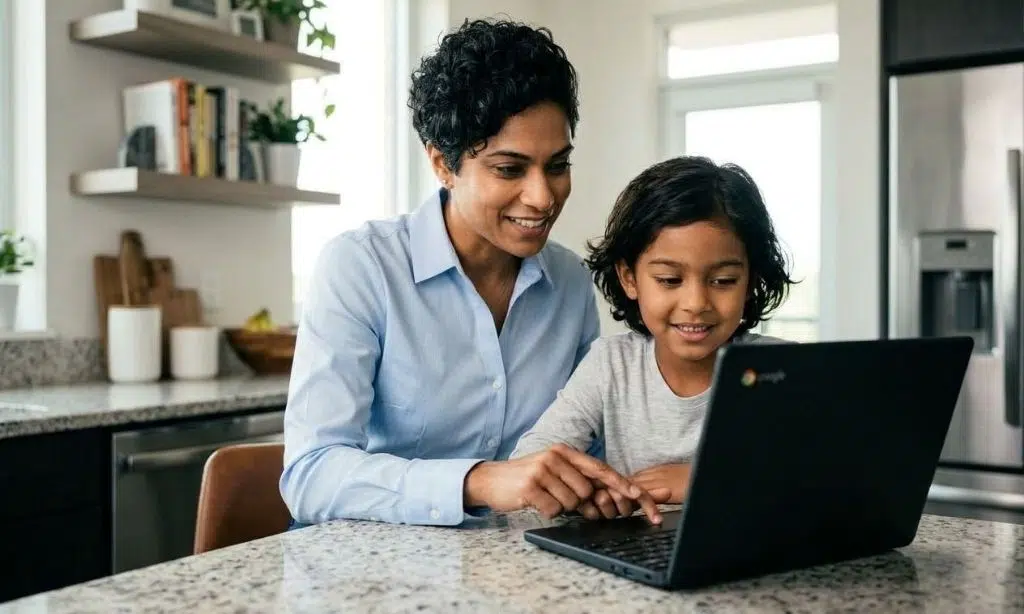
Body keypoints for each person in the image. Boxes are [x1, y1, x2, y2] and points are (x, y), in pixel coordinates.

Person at [280, 18, 662, 528]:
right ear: (442, 163)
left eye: (557, 165)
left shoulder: (569, 282)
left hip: (509, 564)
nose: (543, 197)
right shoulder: (361, 268)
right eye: (509, 169)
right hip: (368, 569)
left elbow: (580, 439)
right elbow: (311, 475)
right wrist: (480, 481)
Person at [511, 155, 795, 519]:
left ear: (751, 281)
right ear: (630, 278)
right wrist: (590, 491)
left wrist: (706, 480)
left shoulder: (779, 369)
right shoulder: (611, 365)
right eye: (669, 280)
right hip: (639, 557)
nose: (695, 304)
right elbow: (530, 461)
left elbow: (831, 477)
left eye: (723, 281)